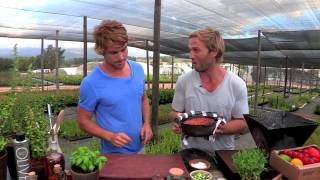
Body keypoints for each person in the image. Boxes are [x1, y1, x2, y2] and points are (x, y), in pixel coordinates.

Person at [77, 20, 153, 154]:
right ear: (102, 51)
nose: (121, 57)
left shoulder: (138, 69)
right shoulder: (91, 83)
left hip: (140, 149)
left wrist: (146, 123)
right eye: (114, 52)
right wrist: (109, 136)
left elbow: (143, 99)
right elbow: (83, 121)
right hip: (114, 154)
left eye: (123, 49)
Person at [170, 27, 249, 154]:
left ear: (214, 52)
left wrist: (215, 128)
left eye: (196, 50)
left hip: (223, 154)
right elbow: (175, 112)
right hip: (190, 152)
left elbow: (242, 122)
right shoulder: (184, 81)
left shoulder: (236, 84)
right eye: (190, 50)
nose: (191, 56)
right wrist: (179, 120)